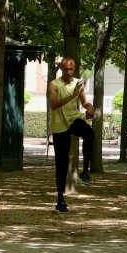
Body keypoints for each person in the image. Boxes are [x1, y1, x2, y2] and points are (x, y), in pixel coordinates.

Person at [47, 58, 95, 213]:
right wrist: (73, 94)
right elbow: (53, 105)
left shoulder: (78, 83)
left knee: (89, 133)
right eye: (66, 69)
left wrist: (90, 107)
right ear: (61, 69)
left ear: (74, 68)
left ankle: (85, 171)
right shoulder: (54, 84)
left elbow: (84, 101)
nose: (69, 72)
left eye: (71, 69)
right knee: (62, 163)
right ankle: (60, 199)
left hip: (73, 119)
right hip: (59, 126)